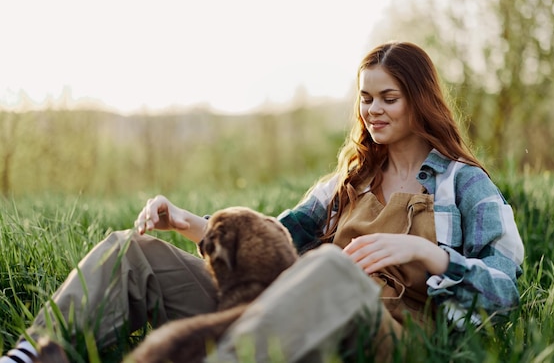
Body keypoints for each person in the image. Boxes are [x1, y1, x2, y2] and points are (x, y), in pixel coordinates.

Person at [1, 41, 524, 363]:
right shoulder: (349, 180)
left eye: (389, 98)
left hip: (388, 335)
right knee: (132, 253)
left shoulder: (465, 184)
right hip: (287, 313)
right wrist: (188, 223)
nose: (373, 111)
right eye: (365, 98)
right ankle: (28, 355)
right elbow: (270, 242)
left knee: (330, 270)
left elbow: (505, 287)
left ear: (421, 100)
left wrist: (426, 254)